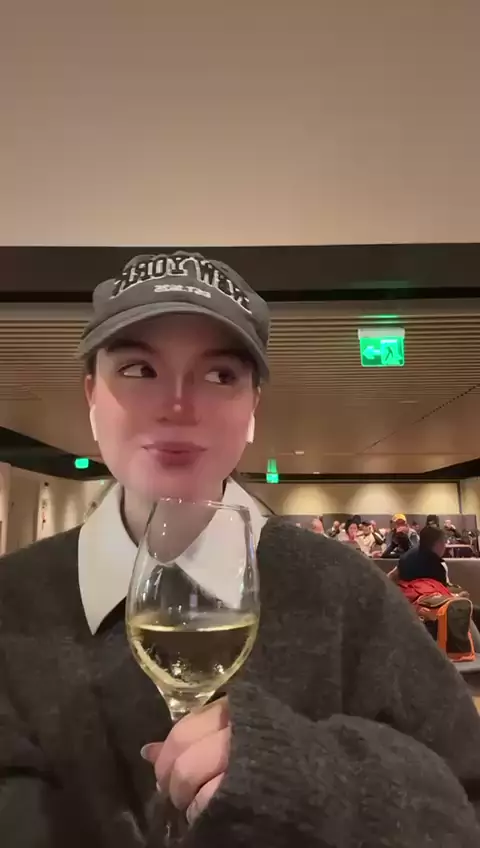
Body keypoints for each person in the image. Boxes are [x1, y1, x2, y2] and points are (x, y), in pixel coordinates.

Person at [0, 251, 480, 847]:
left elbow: (466, 802)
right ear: (91, 394)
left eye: (219, 375)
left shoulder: (343, 594)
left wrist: (310, 779)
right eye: (139, 369)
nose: (178, 405)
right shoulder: (12, 603)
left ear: (253, 408)